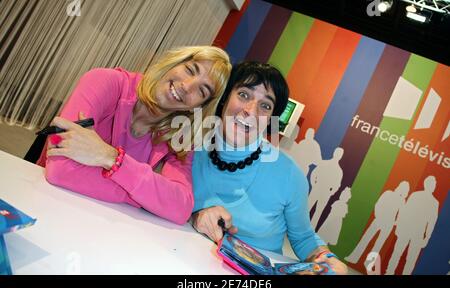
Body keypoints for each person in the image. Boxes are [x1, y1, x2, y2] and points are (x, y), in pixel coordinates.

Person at [38, 46, 231, 225]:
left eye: (201, 90)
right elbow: (60, 170)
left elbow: (180, 208)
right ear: (174, 63)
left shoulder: (179, 137)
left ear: (197, 107)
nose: (187, 86)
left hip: (100, 227)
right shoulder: (104, 81)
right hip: (44, 206)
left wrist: (111, 158)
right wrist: (143, 197)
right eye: (190, 70)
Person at [191, 61, 348, 274]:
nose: (250, 111)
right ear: (225, 98)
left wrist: (326, 259)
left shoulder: (289, 175)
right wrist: (195, 216)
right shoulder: (188, 149)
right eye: (244, 95)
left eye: (265, 105)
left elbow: (303, 237)